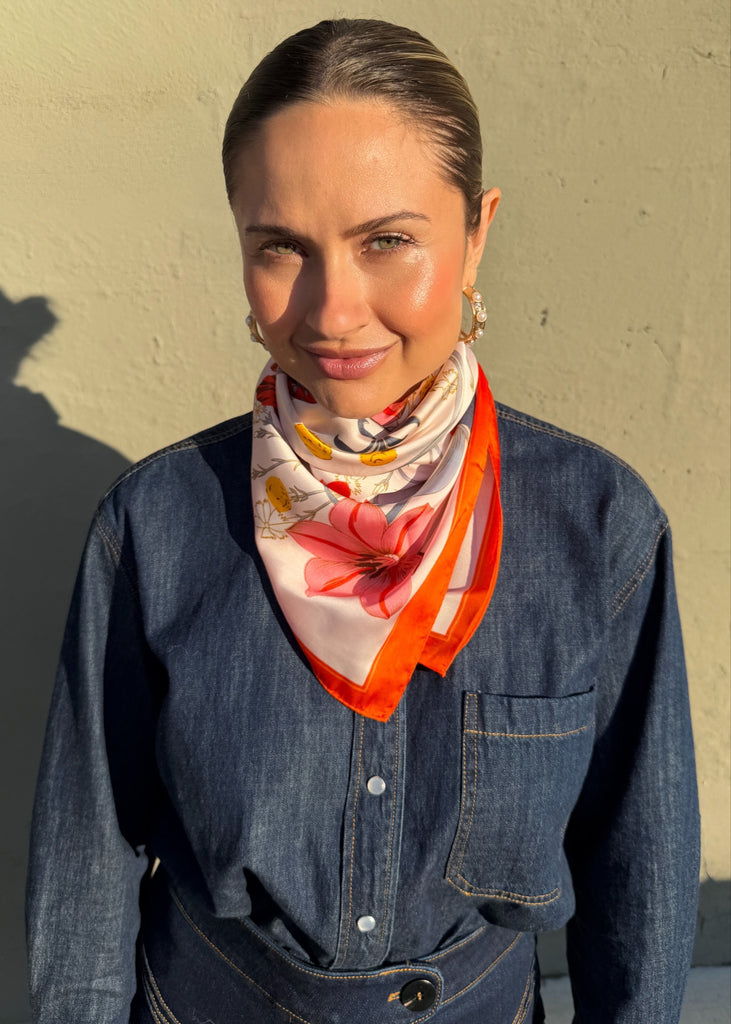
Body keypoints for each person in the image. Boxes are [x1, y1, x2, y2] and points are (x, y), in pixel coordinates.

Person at [26, 18, 700, 1024]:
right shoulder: (155, 528)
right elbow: (88, 858)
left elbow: (634, 876)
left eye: (385, 240)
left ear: (475, 235)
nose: (334, 310)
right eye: (281, 247)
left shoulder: (594, 528)